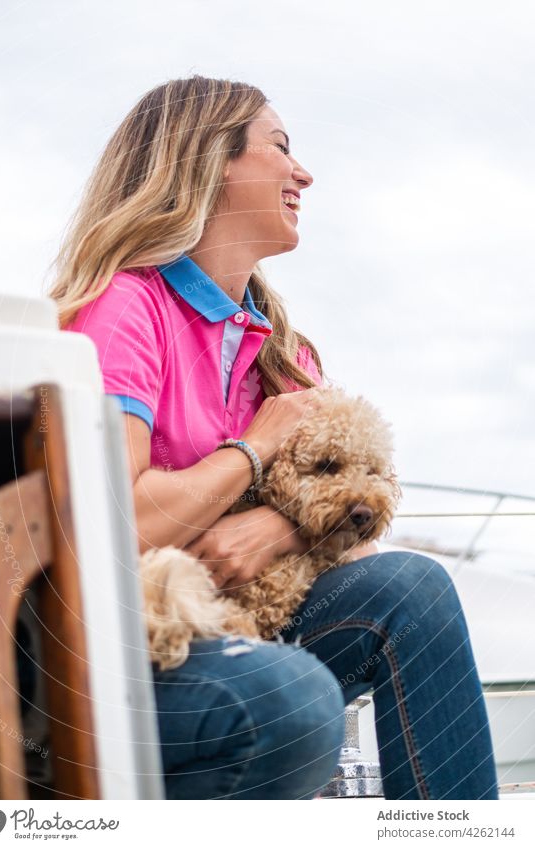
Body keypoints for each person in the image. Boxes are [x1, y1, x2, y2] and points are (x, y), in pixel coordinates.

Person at [49, 75, 499, 800]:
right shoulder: (125, 308)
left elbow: (351, 531)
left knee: (412, 585)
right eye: (281, 147)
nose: (304, 172)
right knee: (286, 696)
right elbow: (118, 518)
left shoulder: (287, 350)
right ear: (210, 160)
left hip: (256, 627)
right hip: (131, 653)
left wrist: (274, 526)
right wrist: (253, 447)